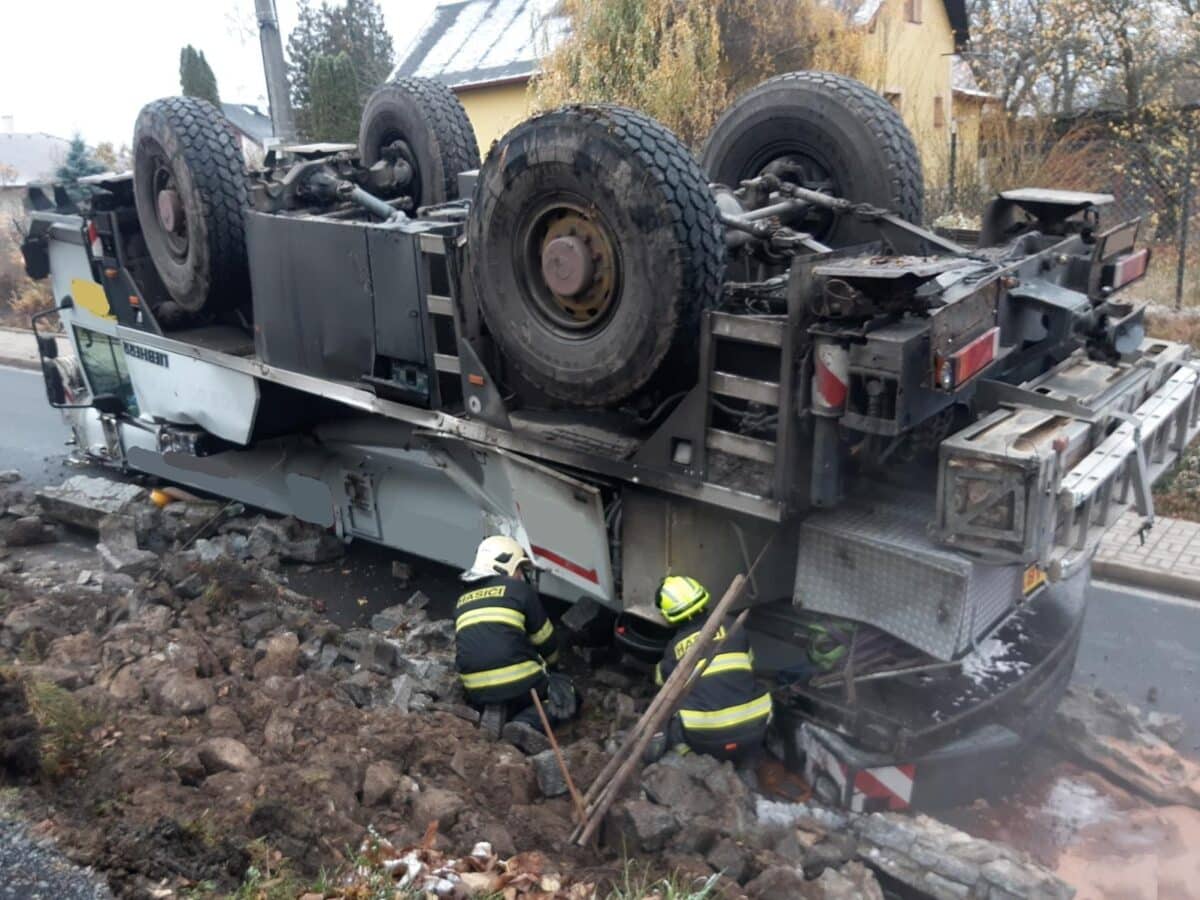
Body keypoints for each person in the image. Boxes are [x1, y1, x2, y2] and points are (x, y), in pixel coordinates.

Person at [454, 535, 575, 741]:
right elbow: (545, 639)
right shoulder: (519, 590)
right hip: (520, 682)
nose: (520, 575)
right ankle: (524, 724)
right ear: (503, 565)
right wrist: (554, 670)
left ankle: (499, 709)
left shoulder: (462, 600)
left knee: (512, 689)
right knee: (565, 693)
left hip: (475, 689)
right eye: (519, 569)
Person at [654, 575, 772, 761]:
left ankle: (686, 755)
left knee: (668, 707)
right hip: (754, 730)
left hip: (704, 740)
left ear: (668, 615)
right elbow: (750, 664)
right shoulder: (734, 626)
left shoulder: (674, 648)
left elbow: (661, 681)